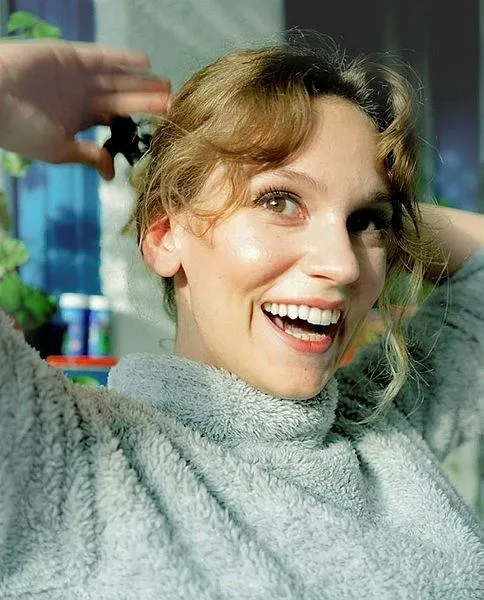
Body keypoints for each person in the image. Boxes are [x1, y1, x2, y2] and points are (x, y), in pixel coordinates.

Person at [0, 37, 482, 600]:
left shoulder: (382, 421)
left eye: (364, 222)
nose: (343, 264)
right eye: (279, 201)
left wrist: (377, 201)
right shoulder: (67, 462)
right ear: (164, 235)